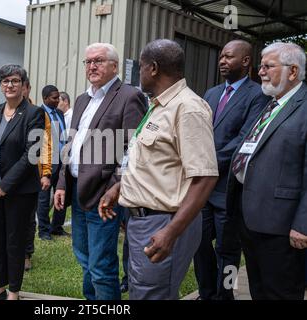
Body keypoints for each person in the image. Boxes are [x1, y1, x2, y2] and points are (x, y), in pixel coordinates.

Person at [99, 39, 218, 300]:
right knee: (146, 292)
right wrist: (118, 189)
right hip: (143, 220)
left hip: (164, 221)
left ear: (152, 68)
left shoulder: (188, 108)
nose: (138, 73)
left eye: (140, 67)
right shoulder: (158, 105)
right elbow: (154, 164)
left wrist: (171, 232)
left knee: (152, 295)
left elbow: (205, 178)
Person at [54, 42, 147, 300]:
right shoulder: (83, 99)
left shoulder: (129, 96)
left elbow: (134, 149)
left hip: (104, 197)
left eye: (99, 61)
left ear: (114, 66)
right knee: (84, 258)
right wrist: (62, 182)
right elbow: (71, 144)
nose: (92, 66)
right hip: (77, 191)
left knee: (101, 266)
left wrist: (115, 187)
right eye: (88, 61)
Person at [224, 42, 307, 300]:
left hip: (282, 228)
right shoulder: (270, 103)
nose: (260, 71)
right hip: (251, 219)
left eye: (268, 66)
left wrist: (303, 225)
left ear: (293, 72)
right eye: (261, 66)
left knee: (280, 293)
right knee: (259, 290)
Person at [193, 40, 270, 300]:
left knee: (228, 251)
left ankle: (225, 296)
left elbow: (244, 140)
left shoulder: (259, 95)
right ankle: (207, 294)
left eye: (229, 57)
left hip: (229, 189)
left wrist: (205, 162)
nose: (222, 61)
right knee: (198, 244)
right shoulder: (211, 94)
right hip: (201, 188)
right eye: (221, 57)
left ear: (246, 61)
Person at [0, 65, 44, 300]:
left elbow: (32, 154)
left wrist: (5, 185)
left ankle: (14, 290)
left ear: (24, 85)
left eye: (15, 81)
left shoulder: (34, 113)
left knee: (14, 241)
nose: (10, 85)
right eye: (5, 81)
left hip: (19, 192)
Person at [23, 76, 52, 271]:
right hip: (6, 174)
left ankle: (26, 254)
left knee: (27, 217)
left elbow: (46, 143)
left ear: (27, 88)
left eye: (21, 85)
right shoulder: (1, 111)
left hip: (32, 172)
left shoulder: (38, 113)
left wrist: (46, 173)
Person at [37, 85, 68, 240]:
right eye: (54, 98)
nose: (58, 101)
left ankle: (57, 226)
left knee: (62, 193)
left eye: (58, 98)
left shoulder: (60, 114)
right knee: (44, 197)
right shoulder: (38, 114)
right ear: (45, 98)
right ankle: (43, 230)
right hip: (48, 161)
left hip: (63, 160)